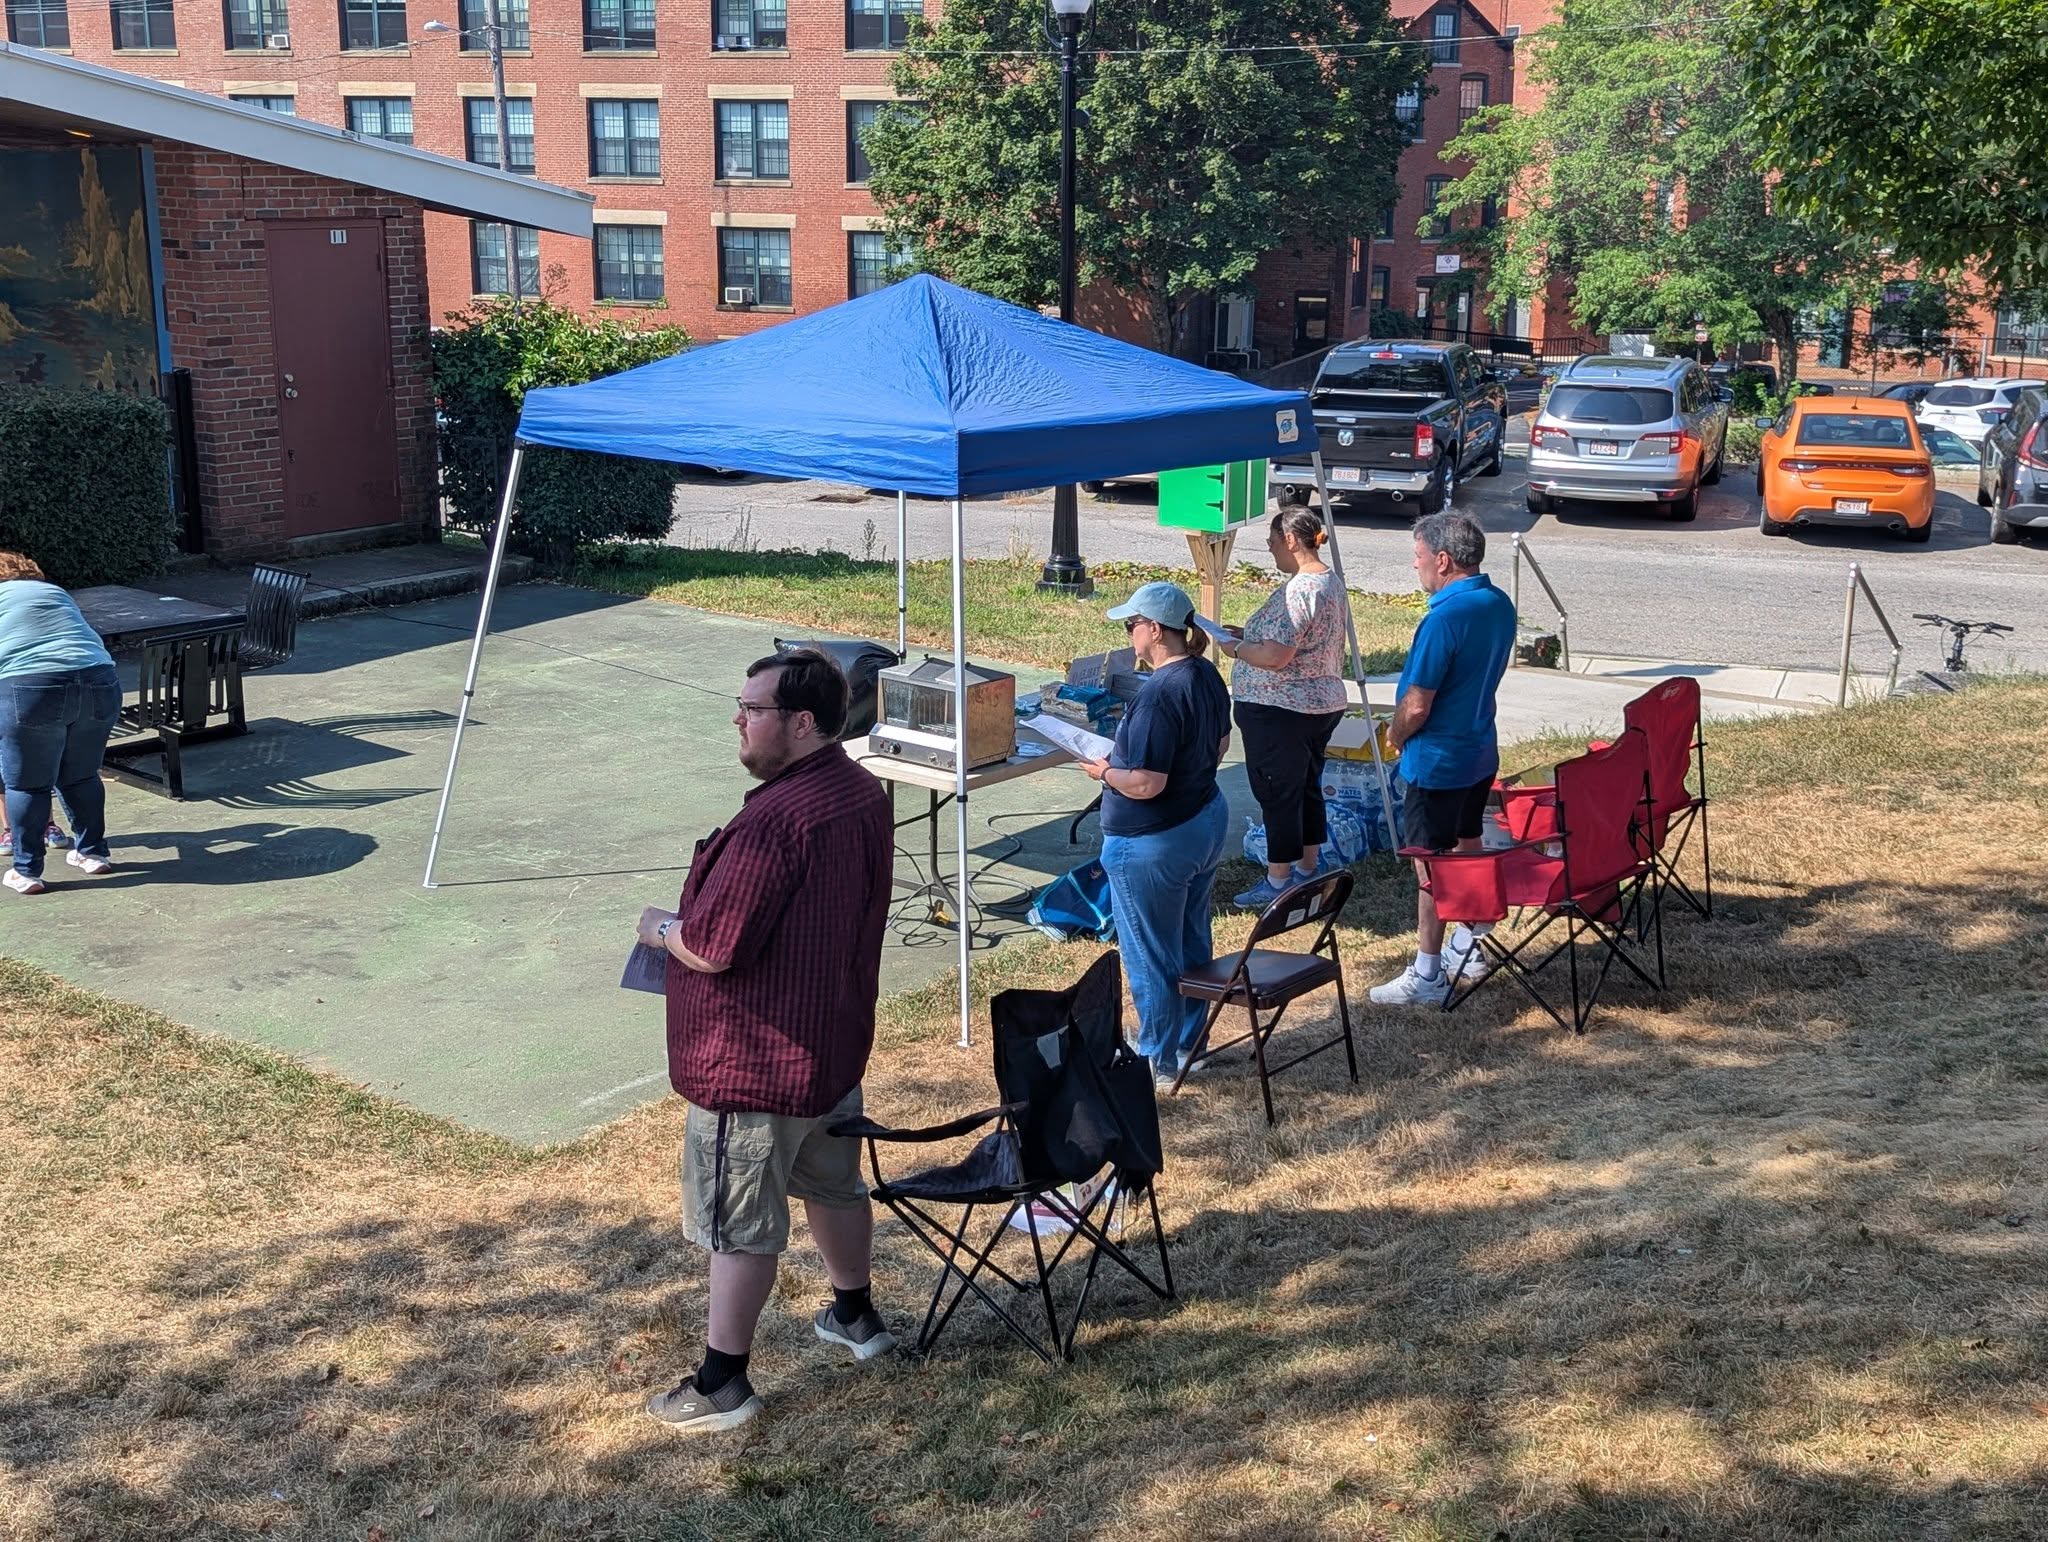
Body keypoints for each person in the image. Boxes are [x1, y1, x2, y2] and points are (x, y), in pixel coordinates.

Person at [634, 648, 898, 1436]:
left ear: (803, 722)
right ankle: (855, 1315)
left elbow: (713, 947)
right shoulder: (859, 791)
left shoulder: (775, 822)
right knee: (834, 1185)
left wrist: (660, 929)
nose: (738, 721)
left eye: (752, 710)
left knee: (738, 1222)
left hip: (752, 1065)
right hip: (828, 1049)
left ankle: (723, 1384)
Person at [1077, 581, 1233, 1086]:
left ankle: (1156, 1060)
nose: (1129, 634)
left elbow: (1146, 783)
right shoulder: (1205, 673)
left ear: (1156, 631)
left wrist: (1105, 772)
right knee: (1190, 939)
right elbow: (1221, 743)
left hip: (1154, 843)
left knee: (1150, 953)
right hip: (1203, 821)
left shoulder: (1158, 696)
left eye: (1132, 625)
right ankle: (1189, 1043)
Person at [1369, 513, 1518, 1006]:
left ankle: (1428, 972)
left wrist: (1394, 734)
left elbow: (1417, 705)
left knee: (1430, 868)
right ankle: (1468, 944)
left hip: (1436, 762)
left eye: (1418, 557)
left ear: (1443, 559)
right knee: (1468, 844)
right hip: (1479, 750)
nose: (1415, 566)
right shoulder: (1498, 603)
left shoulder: (1443, 619)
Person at [1215, 507, 1350, 910]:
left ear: (1290, 540)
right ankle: (1308, 868)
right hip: (1318, 704)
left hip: (1282, 707)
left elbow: (1276, 656)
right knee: (1305, 788)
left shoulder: (1300, 589)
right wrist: (1250, 634)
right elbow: (1293, 638)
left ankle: (1278, 880)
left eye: (1272, 541)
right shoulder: (1328, 581)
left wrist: (1236, 648)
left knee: (1278, 793)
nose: (1271, 549)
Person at [0, 552, 121, 896]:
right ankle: (93, 853)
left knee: (28, 785)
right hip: (99, 679)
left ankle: (27, 871)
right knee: (82, 775)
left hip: (30, 686)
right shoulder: (54, 592)